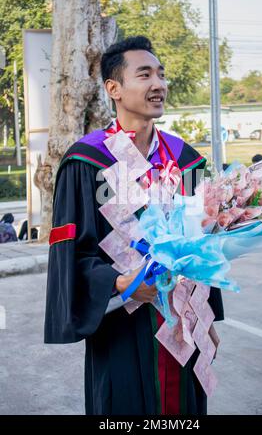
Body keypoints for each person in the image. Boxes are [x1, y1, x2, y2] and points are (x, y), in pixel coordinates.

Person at [44, 36, 224, 415]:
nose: (158, 84)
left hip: (181, 322)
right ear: (114, 89)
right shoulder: (88, 161)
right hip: (122, 323)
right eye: (144, 75)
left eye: (161, 74)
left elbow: (201, 247)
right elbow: (71, 251)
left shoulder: (185, 159)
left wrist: (205, 318)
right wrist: (116, 282)